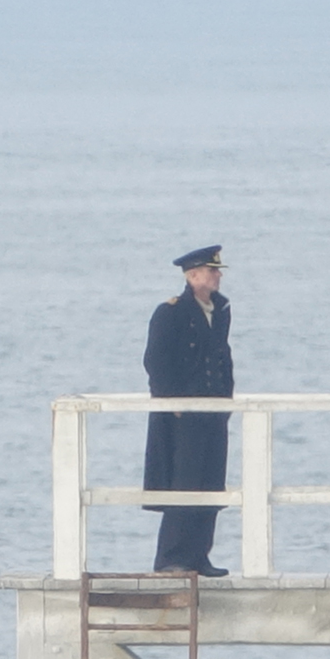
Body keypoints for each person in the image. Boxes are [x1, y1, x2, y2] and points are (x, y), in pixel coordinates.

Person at [142, 245, 234, 576]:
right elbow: (156, 361)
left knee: (211, 485)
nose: (218, 276)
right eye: (213, 271)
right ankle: (173, 558)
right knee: (185, 483)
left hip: (212, 413)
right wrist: (174, 405)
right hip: (184, 416)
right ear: (193, 275)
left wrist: (227, 401)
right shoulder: (172, 312)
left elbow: (222, 358)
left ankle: (199, 556)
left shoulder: (219, 310)